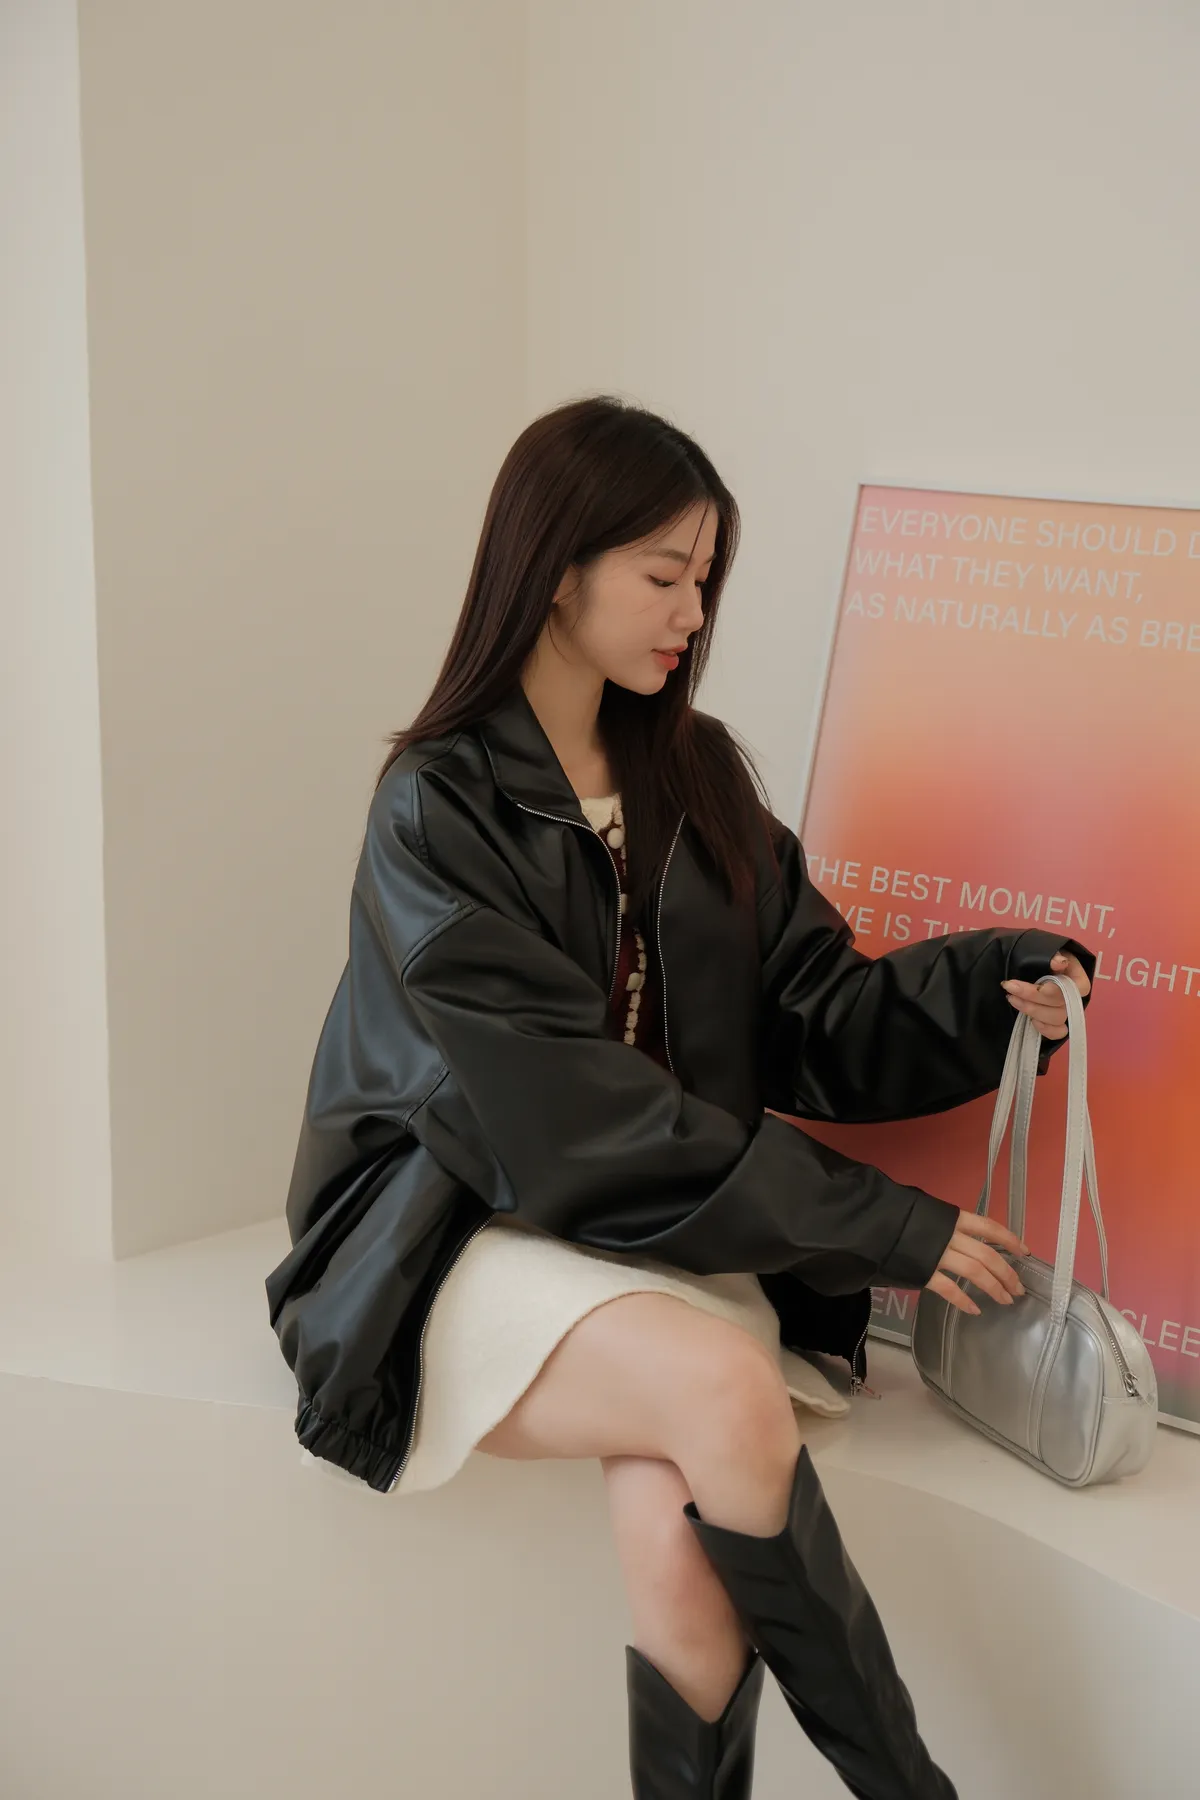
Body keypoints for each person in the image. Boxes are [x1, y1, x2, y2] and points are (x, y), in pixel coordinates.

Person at [265, 395, 1094, 1799]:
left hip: (657, 1230)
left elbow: (811, 1009)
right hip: (450, 1237)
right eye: (664, 574)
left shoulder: (690, 773)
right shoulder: (436, 809)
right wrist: (880, 1227)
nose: (693, 613)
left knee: (682, 1557)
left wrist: (984, 987)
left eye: (706, 578)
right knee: (721, 1386)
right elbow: (563, 1116)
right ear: (557, 569)